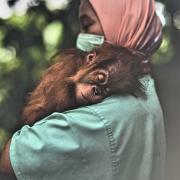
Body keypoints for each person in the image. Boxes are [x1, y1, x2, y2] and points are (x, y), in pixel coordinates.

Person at [0, 0, 165, 180]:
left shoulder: (103, 117)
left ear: (123, 23)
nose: (82, 37)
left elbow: (13, 160)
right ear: (91, 59)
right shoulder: (145, 86)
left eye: (87, 25)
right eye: (83, 26)